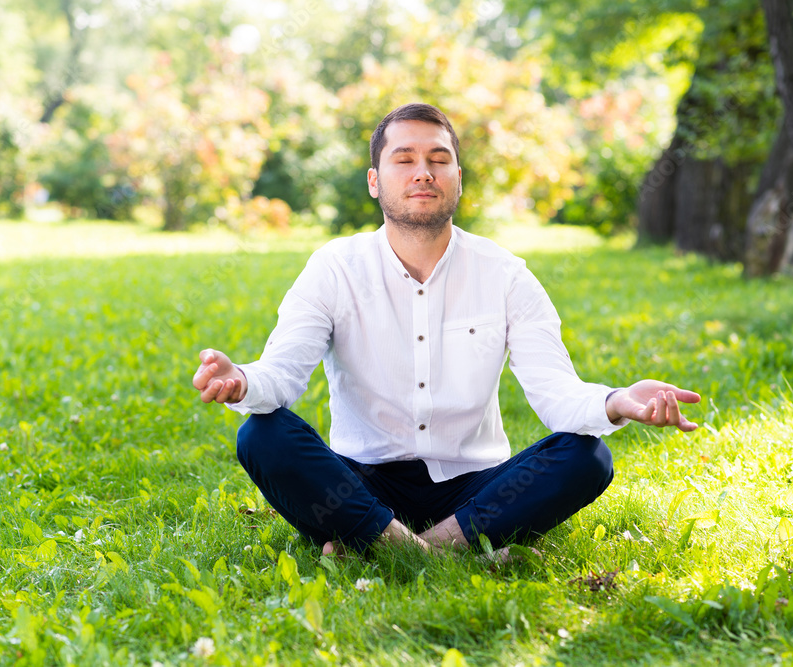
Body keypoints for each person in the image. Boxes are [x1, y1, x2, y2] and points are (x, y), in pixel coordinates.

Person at [192, 103, 700, 559]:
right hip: (358, 484)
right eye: (404, 159)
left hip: (474, 488)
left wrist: (617, 401)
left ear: (457, 176)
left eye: (438, 160)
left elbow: (556, 393)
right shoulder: (334, 268)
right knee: (263, 434)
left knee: (588, 455)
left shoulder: (505, 273)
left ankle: (393, 548)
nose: (423, 173)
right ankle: (449, 551)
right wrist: (243, 380)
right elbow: (283, 373)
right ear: (375, 180)